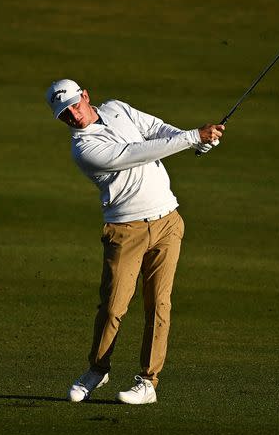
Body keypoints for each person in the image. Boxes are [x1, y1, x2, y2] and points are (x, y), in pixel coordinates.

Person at [44, 79, 224, 405]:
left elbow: (154, 129)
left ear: (85, 96)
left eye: (74, 105)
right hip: (125, 230)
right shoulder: (83, 149)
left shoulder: (116, 108)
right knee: (113, 306)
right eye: (63, 115)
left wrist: (194, 141)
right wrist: (192, 137)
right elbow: (134, 153)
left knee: (159, 304)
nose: (72, 116)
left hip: (168, 221)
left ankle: (148, 382)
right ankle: (98, 369)